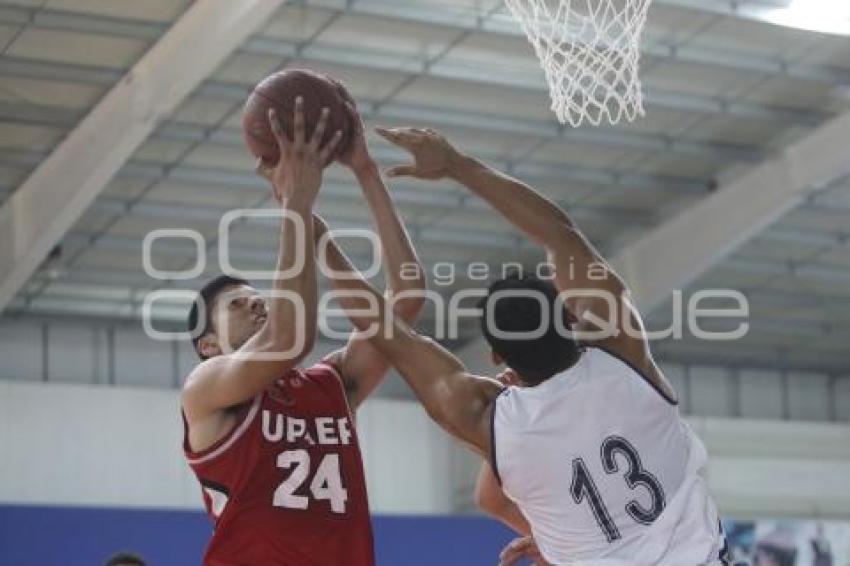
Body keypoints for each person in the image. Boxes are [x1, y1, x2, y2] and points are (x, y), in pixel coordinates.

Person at [317, 126, 730, 565]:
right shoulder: (623, 353)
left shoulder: (491, 422)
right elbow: (561, 234)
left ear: (496, 356)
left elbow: (388, 332)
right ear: (571, 316)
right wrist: (458, 165)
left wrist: (313, 230)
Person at [181, 98, 424, 565]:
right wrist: (296, 203)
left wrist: (365, 173)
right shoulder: (204, 392)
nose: (256, 300)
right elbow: (290, 340)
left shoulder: (328, 386)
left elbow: (407, 299)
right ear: (208, 346)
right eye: (235, 303)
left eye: (258, 294)